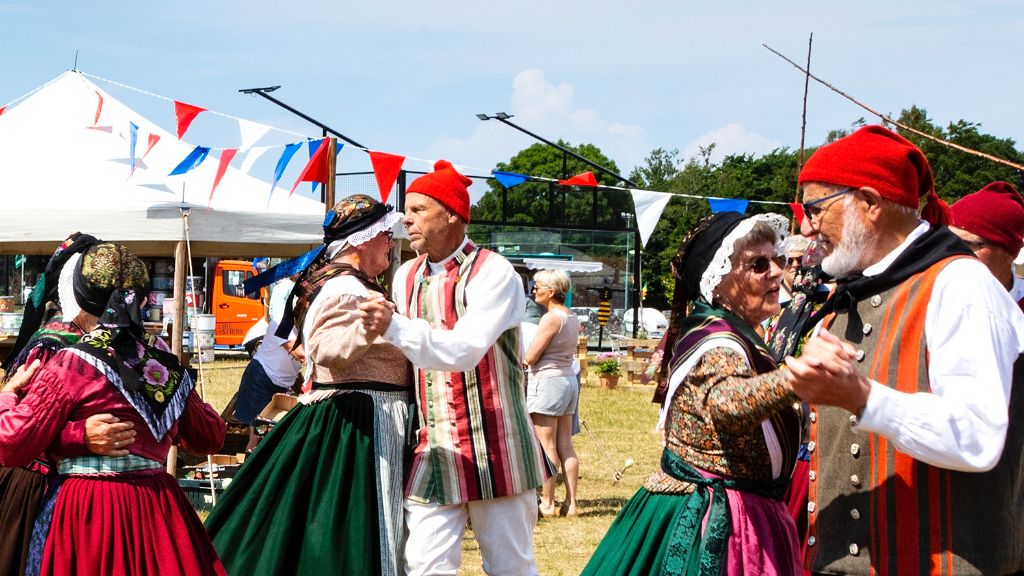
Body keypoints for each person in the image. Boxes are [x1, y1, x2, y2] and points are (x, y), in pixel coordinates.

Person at [787, 125, 1024, 575]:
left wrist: (865, 399)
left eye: (816, 208)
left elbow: (978, 436)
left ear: (870, 204)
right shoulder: (853, 294)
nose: (806, 226)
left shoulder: (961, 285)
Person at [582, 211, 805, 576]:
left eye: (776, 260)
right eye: (759, 264)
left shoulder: (736, 332)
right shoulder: (717, 341)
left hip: (746, 511)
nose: (777, 272)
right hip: (716, 523)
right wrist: (796, 381)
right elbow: (726, 403)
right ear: (718, 281)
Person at [205, 194, 411, 576]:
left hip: (360, 413)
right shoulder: (346, 289)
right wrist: (371, 325)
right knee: (345, 534)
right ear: (363, 241)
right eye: (385, 235)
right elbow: (327, 349)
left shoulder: (345, 283)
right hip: (359, 421)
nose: (391, 242)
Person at [359, 160, 547, 576]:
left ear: (453, 214)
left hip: (497, 445)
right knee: (424, 566)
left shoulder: (494, 272)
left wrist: (393, 327)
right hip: (436, 445)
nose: (406, 219)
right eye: (406, 210)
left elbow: (464, 350)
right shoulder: (405, 275)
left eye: (419, 210)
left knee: (509, 566)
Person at [0, 242, 227, 576]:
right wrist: (176, 404)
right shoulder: (163, 368)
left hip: (86, 513)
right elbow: (210, 437)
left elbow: (12, 443)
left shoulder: (68, 365)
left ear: (81, 294)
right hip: (156, 510)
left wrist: (7, 395)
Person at [0, 233, 136, 576]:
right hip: (41, 487)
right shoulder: (54, 345)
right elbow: (23, 430)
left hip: (108, 496)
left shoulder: (136, 349)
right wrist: (79, 436)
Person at [524, 269, 582, 518]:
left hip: (548, 383)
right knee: (565, 444)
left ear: (551, 291)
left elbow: (531, 356)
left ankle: (547, 502)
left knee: (546, 445)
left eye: (538, 286)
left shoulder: (550, 318)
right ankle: (572, 503)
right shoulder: (572, 316)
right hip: (568, 381)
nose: (534, 290)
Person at [233, 275, 304, 451]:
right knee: (257, 436)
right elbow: (298, 353)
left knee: (270, 435)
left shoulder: (300, 328)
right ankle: (250, 474)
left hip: (277, 384)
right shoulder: (281, 321)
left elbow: (292, 365)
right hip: (261, 380)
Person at [949, 180, 1024, 308]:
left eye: (967, 244)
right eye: (947, 239)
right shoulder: (931, 297)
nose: (950, 253)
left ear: (1011, 254)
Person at [778, 234, 810, 305]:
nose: (795, 264)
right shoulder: (772, 299)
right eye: (789, 260)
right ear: (781, 264)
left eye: (800, 259)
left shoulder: (822, 292)